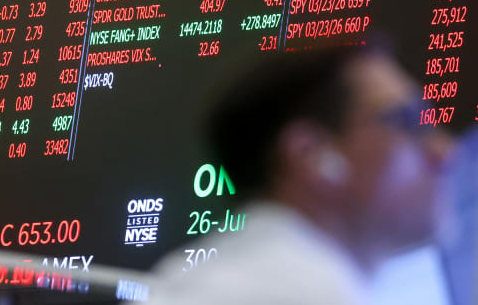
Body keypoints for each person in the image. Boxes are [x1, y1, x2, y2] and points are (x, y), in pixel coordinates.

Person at [143, 44, 452, 305]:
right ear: (310, 154)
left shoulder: (188, 276)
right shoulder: (303, 294)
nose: (444, 152)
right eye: (408, 121)